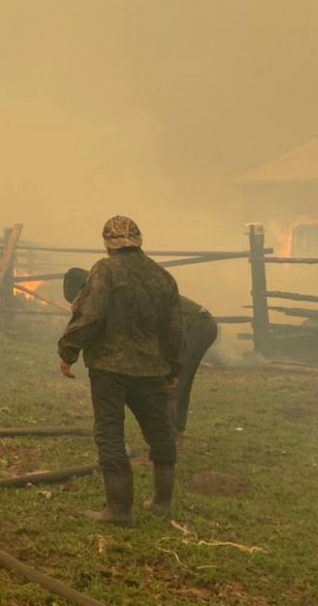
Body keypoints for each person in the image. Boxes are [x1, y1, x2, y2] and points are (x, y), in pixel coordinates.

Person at [58, 216, 183, 525]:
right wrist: (173, 366)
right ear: (139, 241)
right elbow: (174, 329)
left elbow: (91, 315)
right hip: (152, 369)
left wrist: (68, 350)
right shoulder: (162, 277)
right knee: (160, 432)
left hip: (109, 368)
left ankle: (118, 510)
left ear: (108, 244)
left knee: (110, 432)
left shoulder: (105, 270)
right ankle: (162, 502)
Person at [64, 267, 218, 437]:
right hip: (197, 324)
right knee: (179, 381)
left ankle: (166, 439)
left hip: (194, 326)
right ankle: (175, 431)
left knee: (170, 383)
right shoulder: (112, 287)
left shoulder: (116, 292)